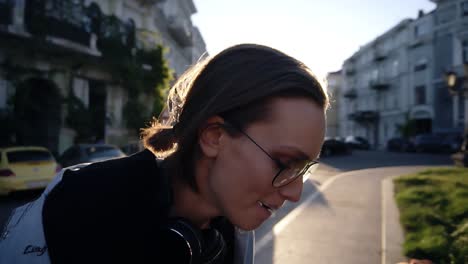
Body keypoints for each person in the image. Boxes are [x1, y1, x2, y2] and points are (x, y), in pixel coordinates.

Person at [0, 43, 328, 263]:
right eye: (285, 163)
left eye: (304, 169)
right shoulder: (77, 198)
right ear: (214, 136)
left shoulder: (233, 235)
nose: (295, 192)